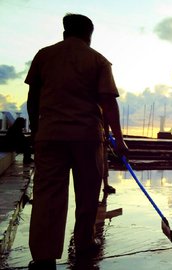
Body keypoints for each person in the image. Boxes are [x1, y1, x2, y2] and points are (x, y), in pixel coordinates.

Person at [25, 14, 128, 269]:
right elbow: (108, 102)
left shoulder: (44, 55)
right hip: (86, 137)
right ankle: (84, 241)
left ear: (64, 32)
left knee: (48, 195)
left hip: (50, 135)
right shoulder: (97, 60)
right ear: (89, 34)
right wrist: (119, 140)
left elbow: (32, 98)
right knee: (87, 193)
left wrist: (37, 130)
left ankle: (44, 255)